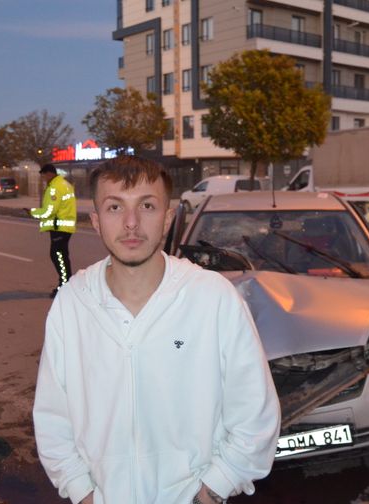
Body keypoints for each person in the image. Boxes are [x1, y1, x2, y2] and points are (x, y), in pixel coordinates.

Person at [33, 156, 280, 504]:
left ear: (167, 218)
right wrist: (80, 490)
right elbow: (52, 415)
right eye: (115, 207)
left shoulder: (213, 298)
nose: (131, 223)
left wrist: (215, 487)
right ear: (96, 221)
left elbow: (255, 411)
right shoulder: (73, 303)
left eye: (147, 206)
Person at [25, 164, 77, 298]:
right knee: (62, 256)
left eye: (43, 176)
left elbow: (49, 210)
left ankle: (65, 287)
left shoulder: (55, 187)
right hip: (65, 226)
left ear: (49, 173)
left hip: (59, 227)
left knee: (58, 256)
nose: (43, 179)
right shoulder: (65, 184)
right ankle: (66, 285)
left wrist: (33, 213)